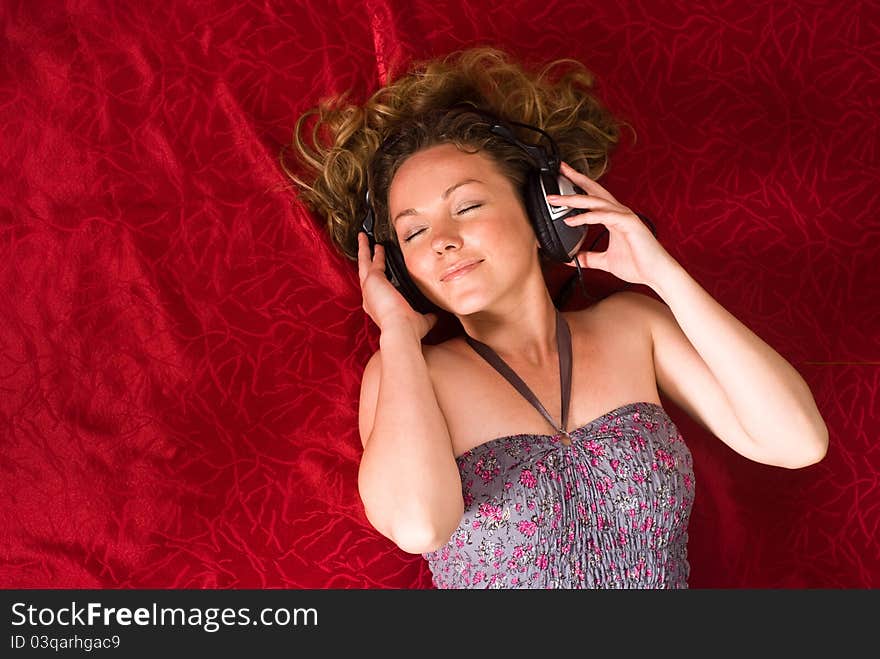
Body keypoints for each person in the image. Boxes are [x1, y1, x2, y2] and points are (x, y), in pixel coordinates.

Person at [281, 46, 829, 588]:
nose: (443, 242)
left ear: (543, 211)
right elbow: (419, 525)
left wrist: (663, 275)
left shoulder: (634, 327)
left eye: (467, 206)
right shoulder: (407, 375)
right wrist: (397, 333)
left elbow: (797, 441)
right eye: (414, 232)